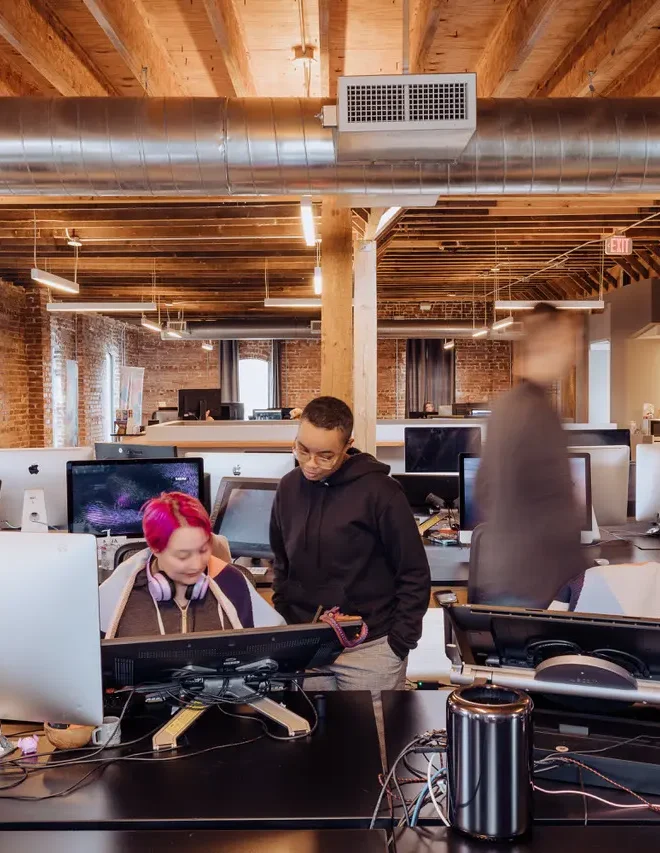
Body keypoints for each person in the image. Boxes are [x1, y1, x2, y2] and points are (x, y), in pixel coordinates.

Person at [269, 396, 431, 695]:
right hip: (308, 647)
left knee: (373, 741)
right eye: (303, 450)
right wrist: (288, 616)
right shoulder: (287, 488)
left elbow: (414, 574)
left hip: (371, 651)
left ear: (347, 446)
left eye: (325, 455)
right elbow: (281, 563)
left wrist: (399, 643)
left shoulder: (381, 492)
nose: (311, 464)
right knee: (311, 739)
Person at [474, 303, 586, 607]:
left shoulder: (508, 406)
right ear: (551, 343)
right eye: (569, 343)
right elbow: (553, 502)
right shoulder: (535, 413)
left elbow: (484, 488)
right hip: (532, 580)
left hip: (513, 571)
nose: (573, 354)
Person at [99, 491, 283, 638]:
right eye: (183, 556)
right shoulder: (121, 590)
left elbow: (276, 645)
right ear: (155, 549)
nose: (196, 565)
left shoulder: (230, 581)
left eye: (203, 550)